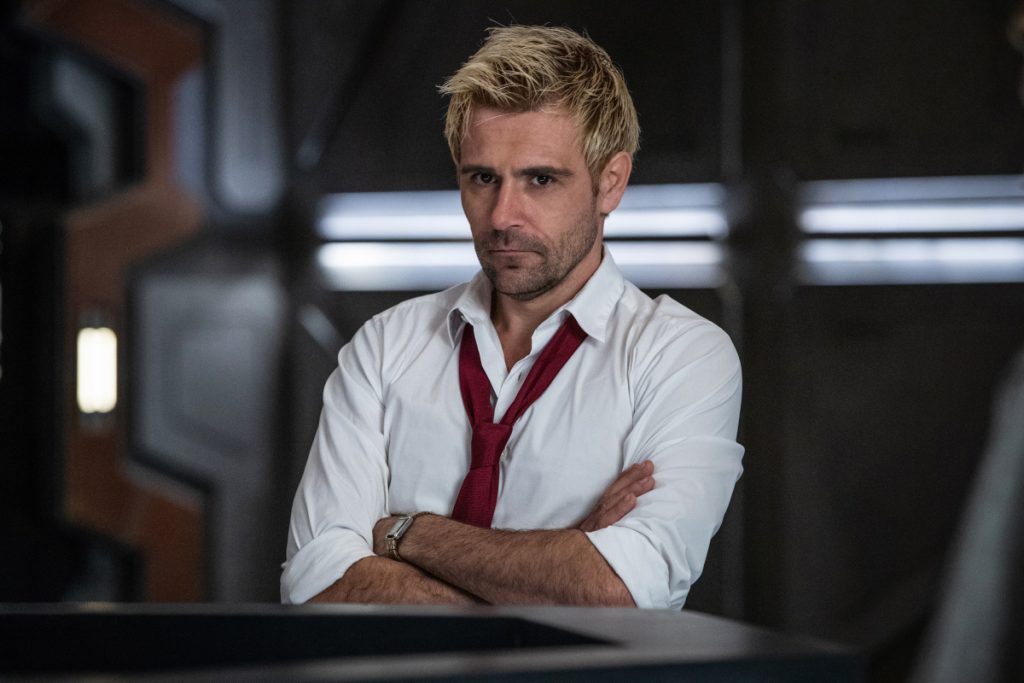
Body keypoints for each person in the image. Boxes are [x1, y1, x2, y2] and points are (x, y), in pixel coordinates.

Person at [281, 25, 743, 609]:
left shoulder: (681, 356)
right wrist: (560, 564)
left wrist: (406, 533)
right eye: (483, 178)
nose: (502, 215)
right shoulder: (385, 346)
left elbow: (619, 589)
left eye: (540, 179)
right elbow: (315, 582)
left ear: (610, 183)